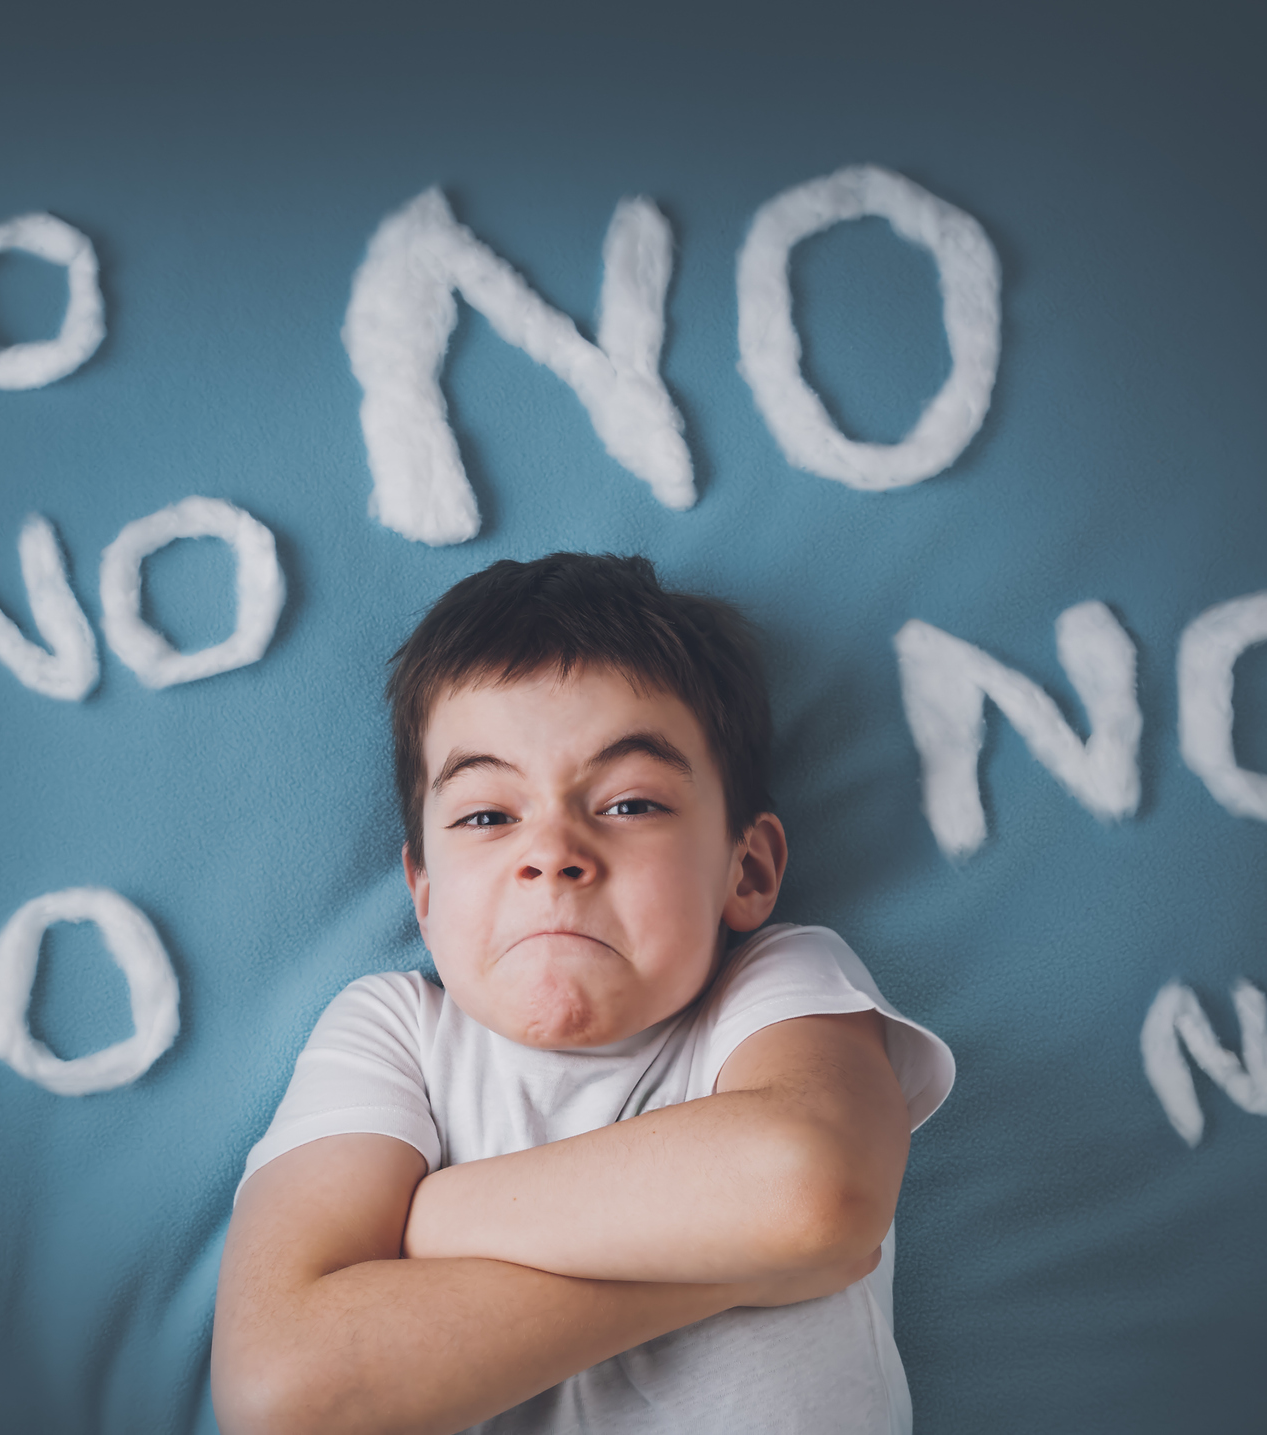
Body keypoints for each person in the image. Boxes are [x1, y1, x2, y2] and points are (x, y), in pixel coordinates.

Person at [211, 553, 954, 1434]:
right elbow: (285, 1389)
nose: (553, 849)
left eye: (630, 802)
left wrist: (430, 1218)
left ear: (746, 868)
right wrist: (742, 1267)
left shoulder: (779, 984)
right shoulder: (395, 1031)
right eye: (488, 815)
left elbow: (816, 1187)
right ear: (424, 892)